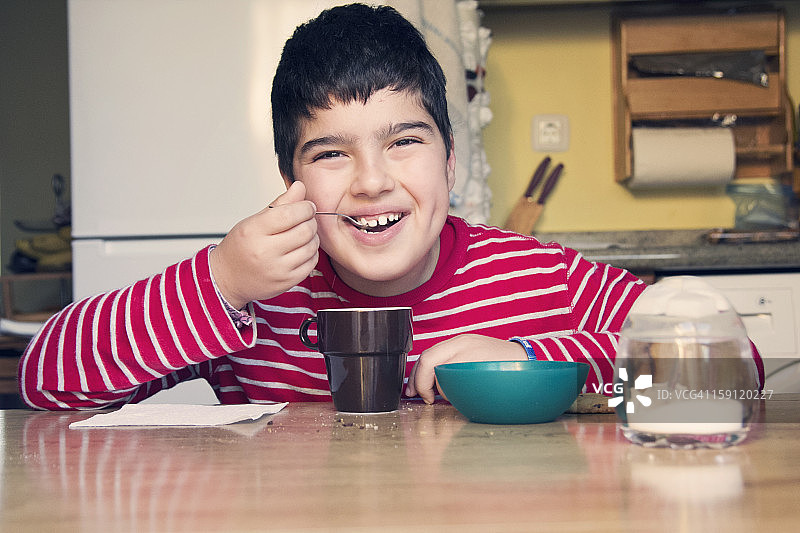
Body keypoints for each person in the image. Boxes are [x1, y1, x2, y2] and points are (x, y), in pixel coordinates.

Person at [17, 3, 763, 410]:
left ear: (450, 161)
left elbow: (732, 372)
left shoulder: (541, 278)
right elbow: (46, 376)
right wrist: (220, 281)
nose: (372, 182)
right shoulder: (254, 308)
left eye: (403, 141)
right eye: (332, 153)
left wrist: (533, 362)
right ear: (292, 183)